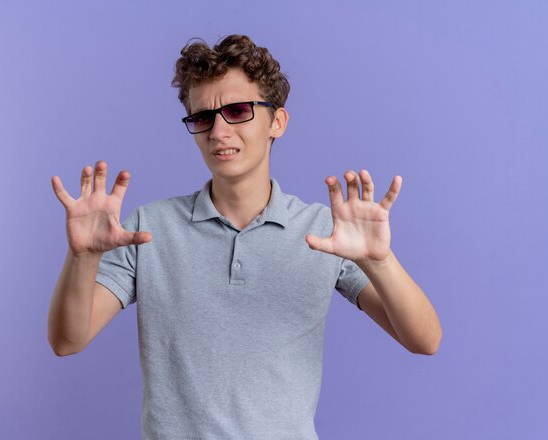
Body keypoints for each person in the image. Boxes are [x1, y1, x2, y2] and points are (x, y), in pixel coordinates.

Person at [48, 34, 442, 439]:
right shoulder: (150, 229)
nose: (218, 131)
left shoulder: (326, 233)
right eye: (203, 118)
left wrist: (378, 261)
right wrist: (81, 257)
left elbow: (424, 340)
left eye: (237, 111)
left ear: (277, 121)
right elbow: (67, 340)